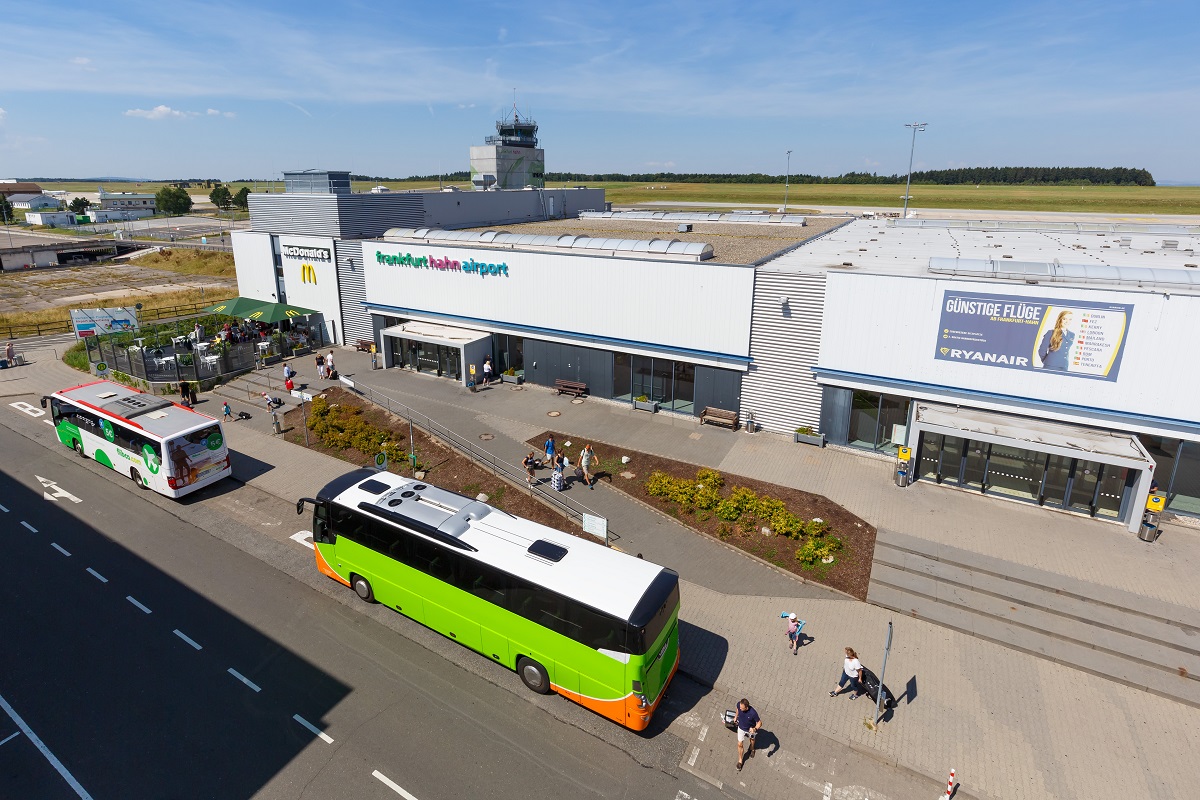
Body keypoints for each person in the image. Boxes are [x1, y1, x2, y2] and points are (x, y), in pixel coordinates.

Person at [734, 698, 761, 771]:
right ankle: (740, 760)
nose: (740, 708)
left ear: (746, 707)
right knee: (739, 744)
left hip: (750, 730)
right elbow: (737, 709)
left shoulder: (753, 713)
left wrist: (754, 729)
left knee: (752, 740)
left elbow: (759, 723)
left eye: (742, 708)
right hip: (741, 728)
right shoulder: (739, 705)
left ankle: (752, 749)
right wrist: (736, 717)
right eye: (740, 706)